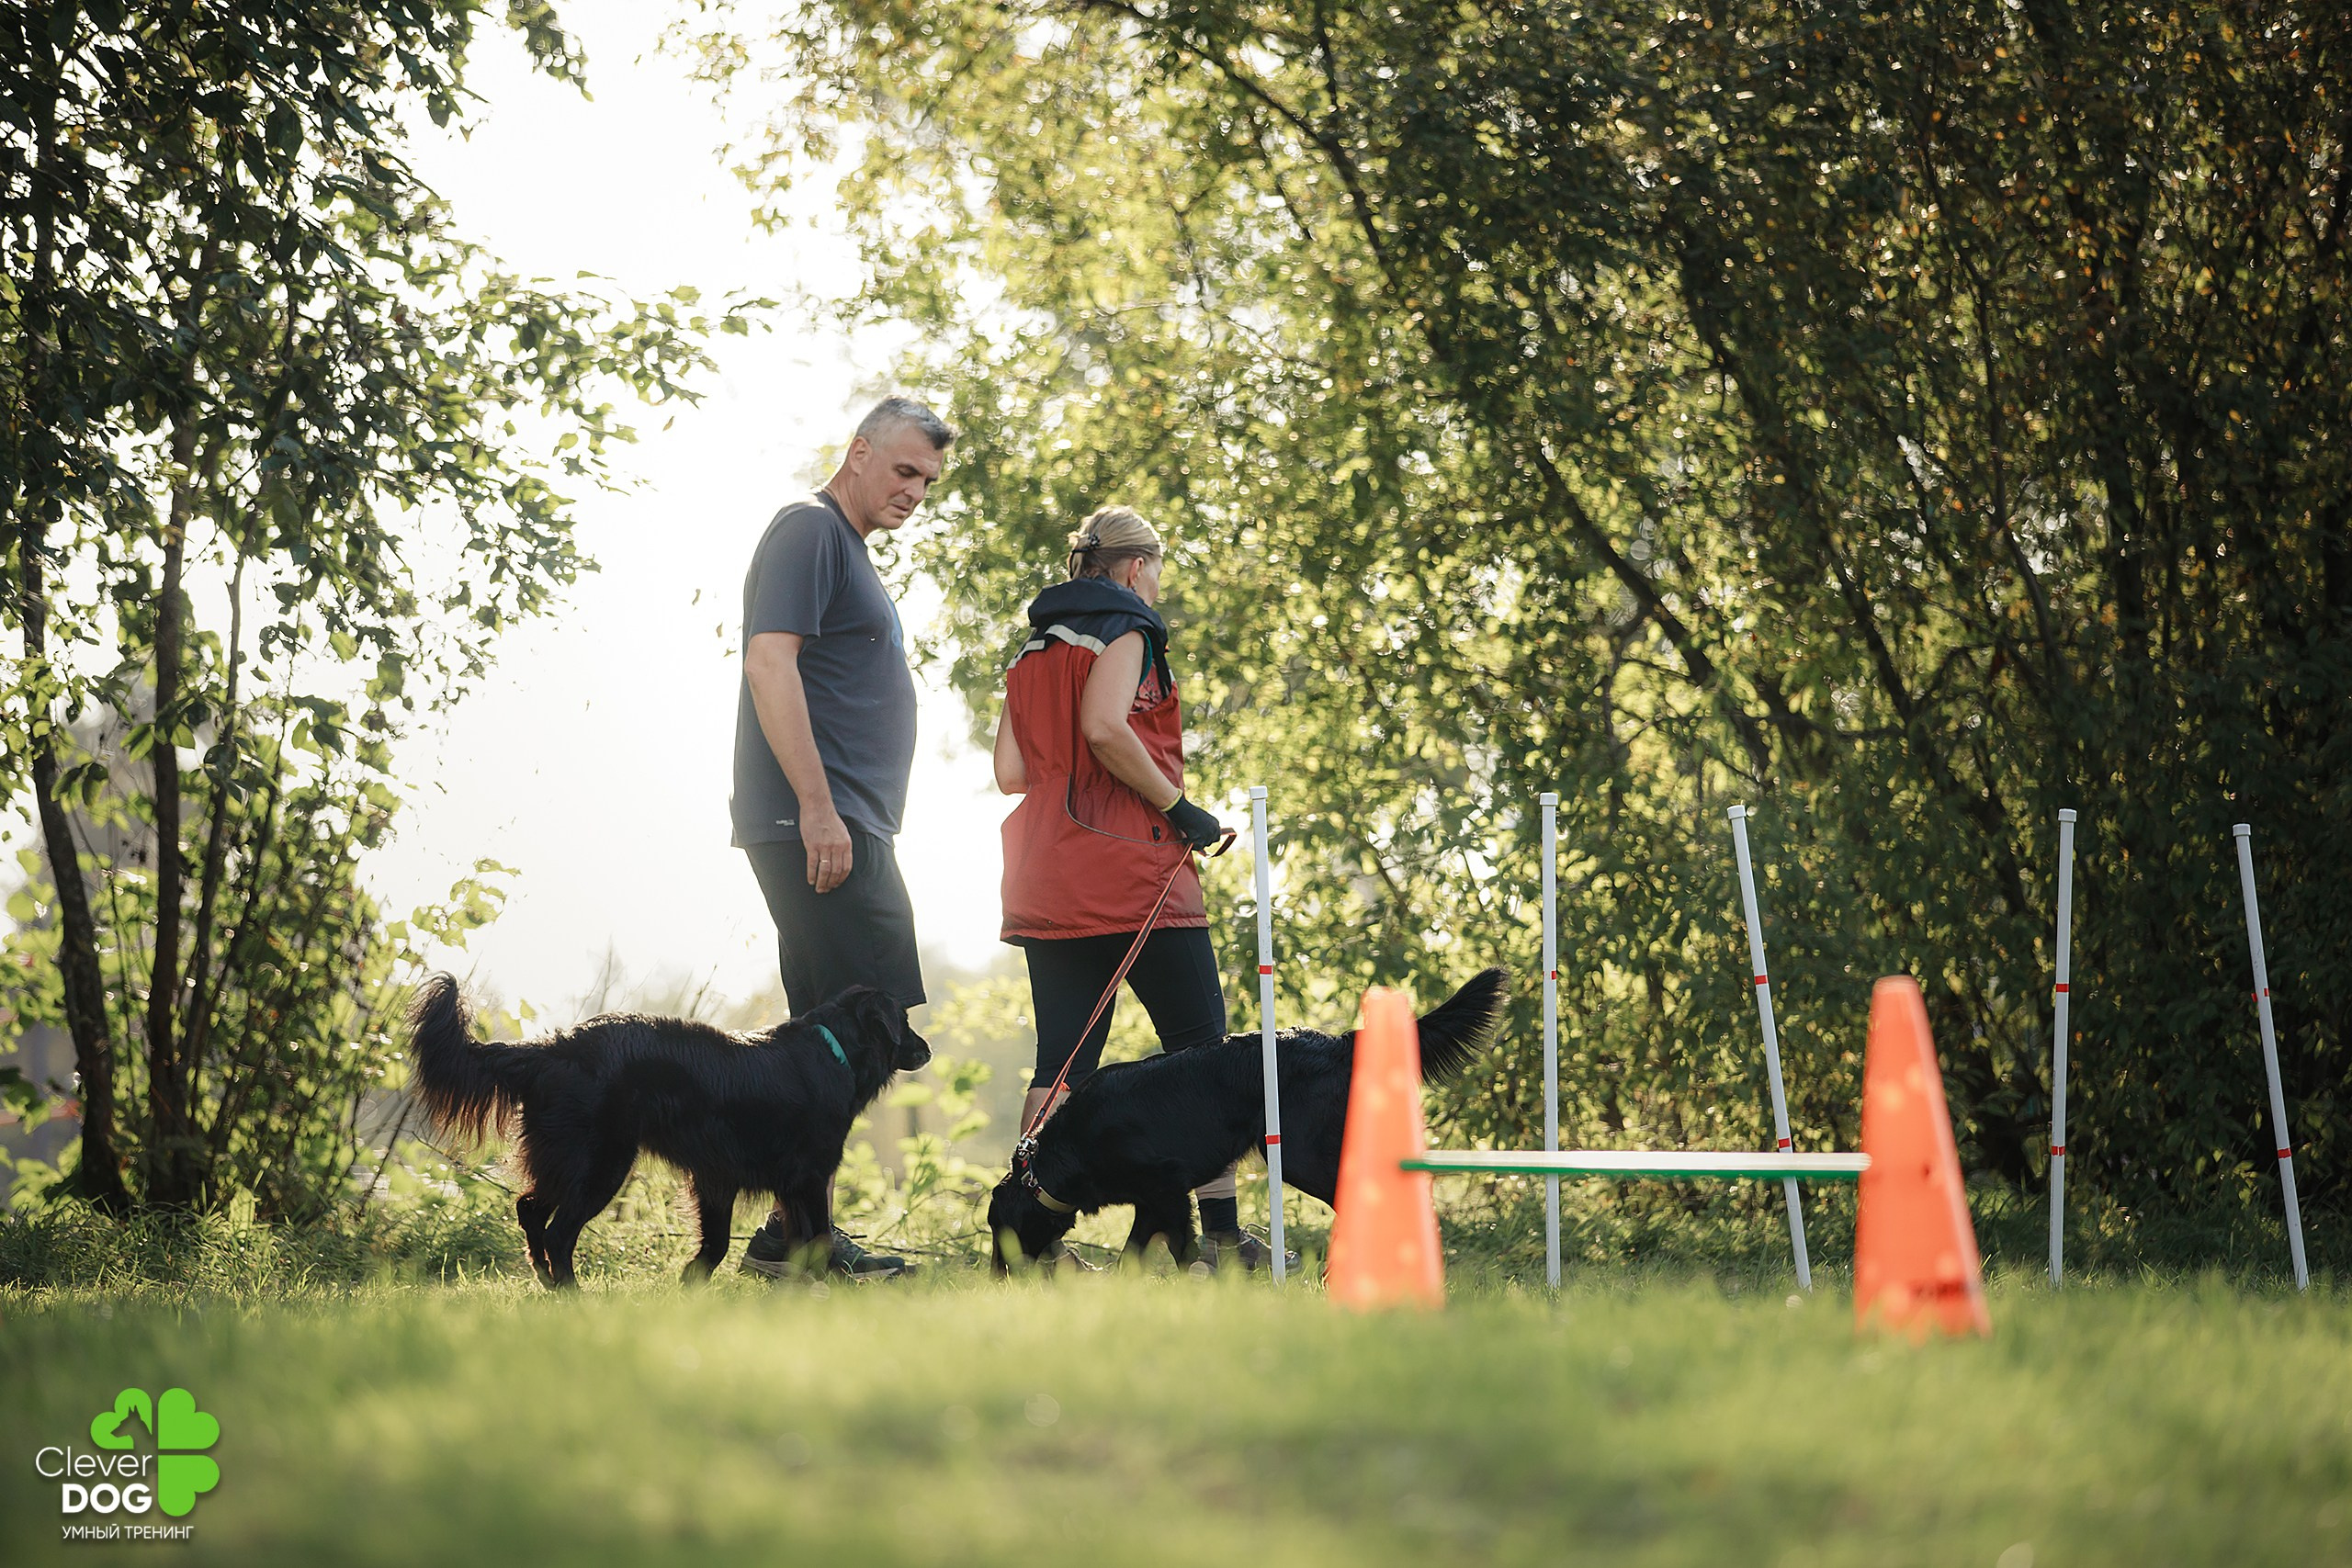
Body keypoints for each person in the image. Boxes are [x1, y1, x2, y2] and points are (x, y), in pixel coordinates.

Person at [991, 504, 1279, 1270]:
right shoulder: (1127, 629)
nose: (1155, 584)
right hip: (1135, 872)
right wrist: (1181, 809)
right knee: (1202, 1051)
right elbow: (1105, 727)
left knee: (1061, 1065)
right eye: (1156, 568)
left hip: (1049, 877)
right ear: (1132, 567)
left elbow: (1011, 774)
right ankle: (1216, 1239)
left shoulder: (1033, 648)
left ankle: (1029, 1242)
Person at [731, 396, 953, 1280]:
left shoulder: (846, 548)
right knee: (856, 1032)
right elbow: (768, 661)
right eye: (903, 471)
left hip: (848, 824)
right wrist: (817, 809)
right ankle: (801, 1237)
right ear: (857, 453)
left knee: (835, 1035)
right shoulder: (809, 529)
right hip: (819, 824)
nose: (914, 492)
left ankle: (794, 1235)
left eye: (928, 482)